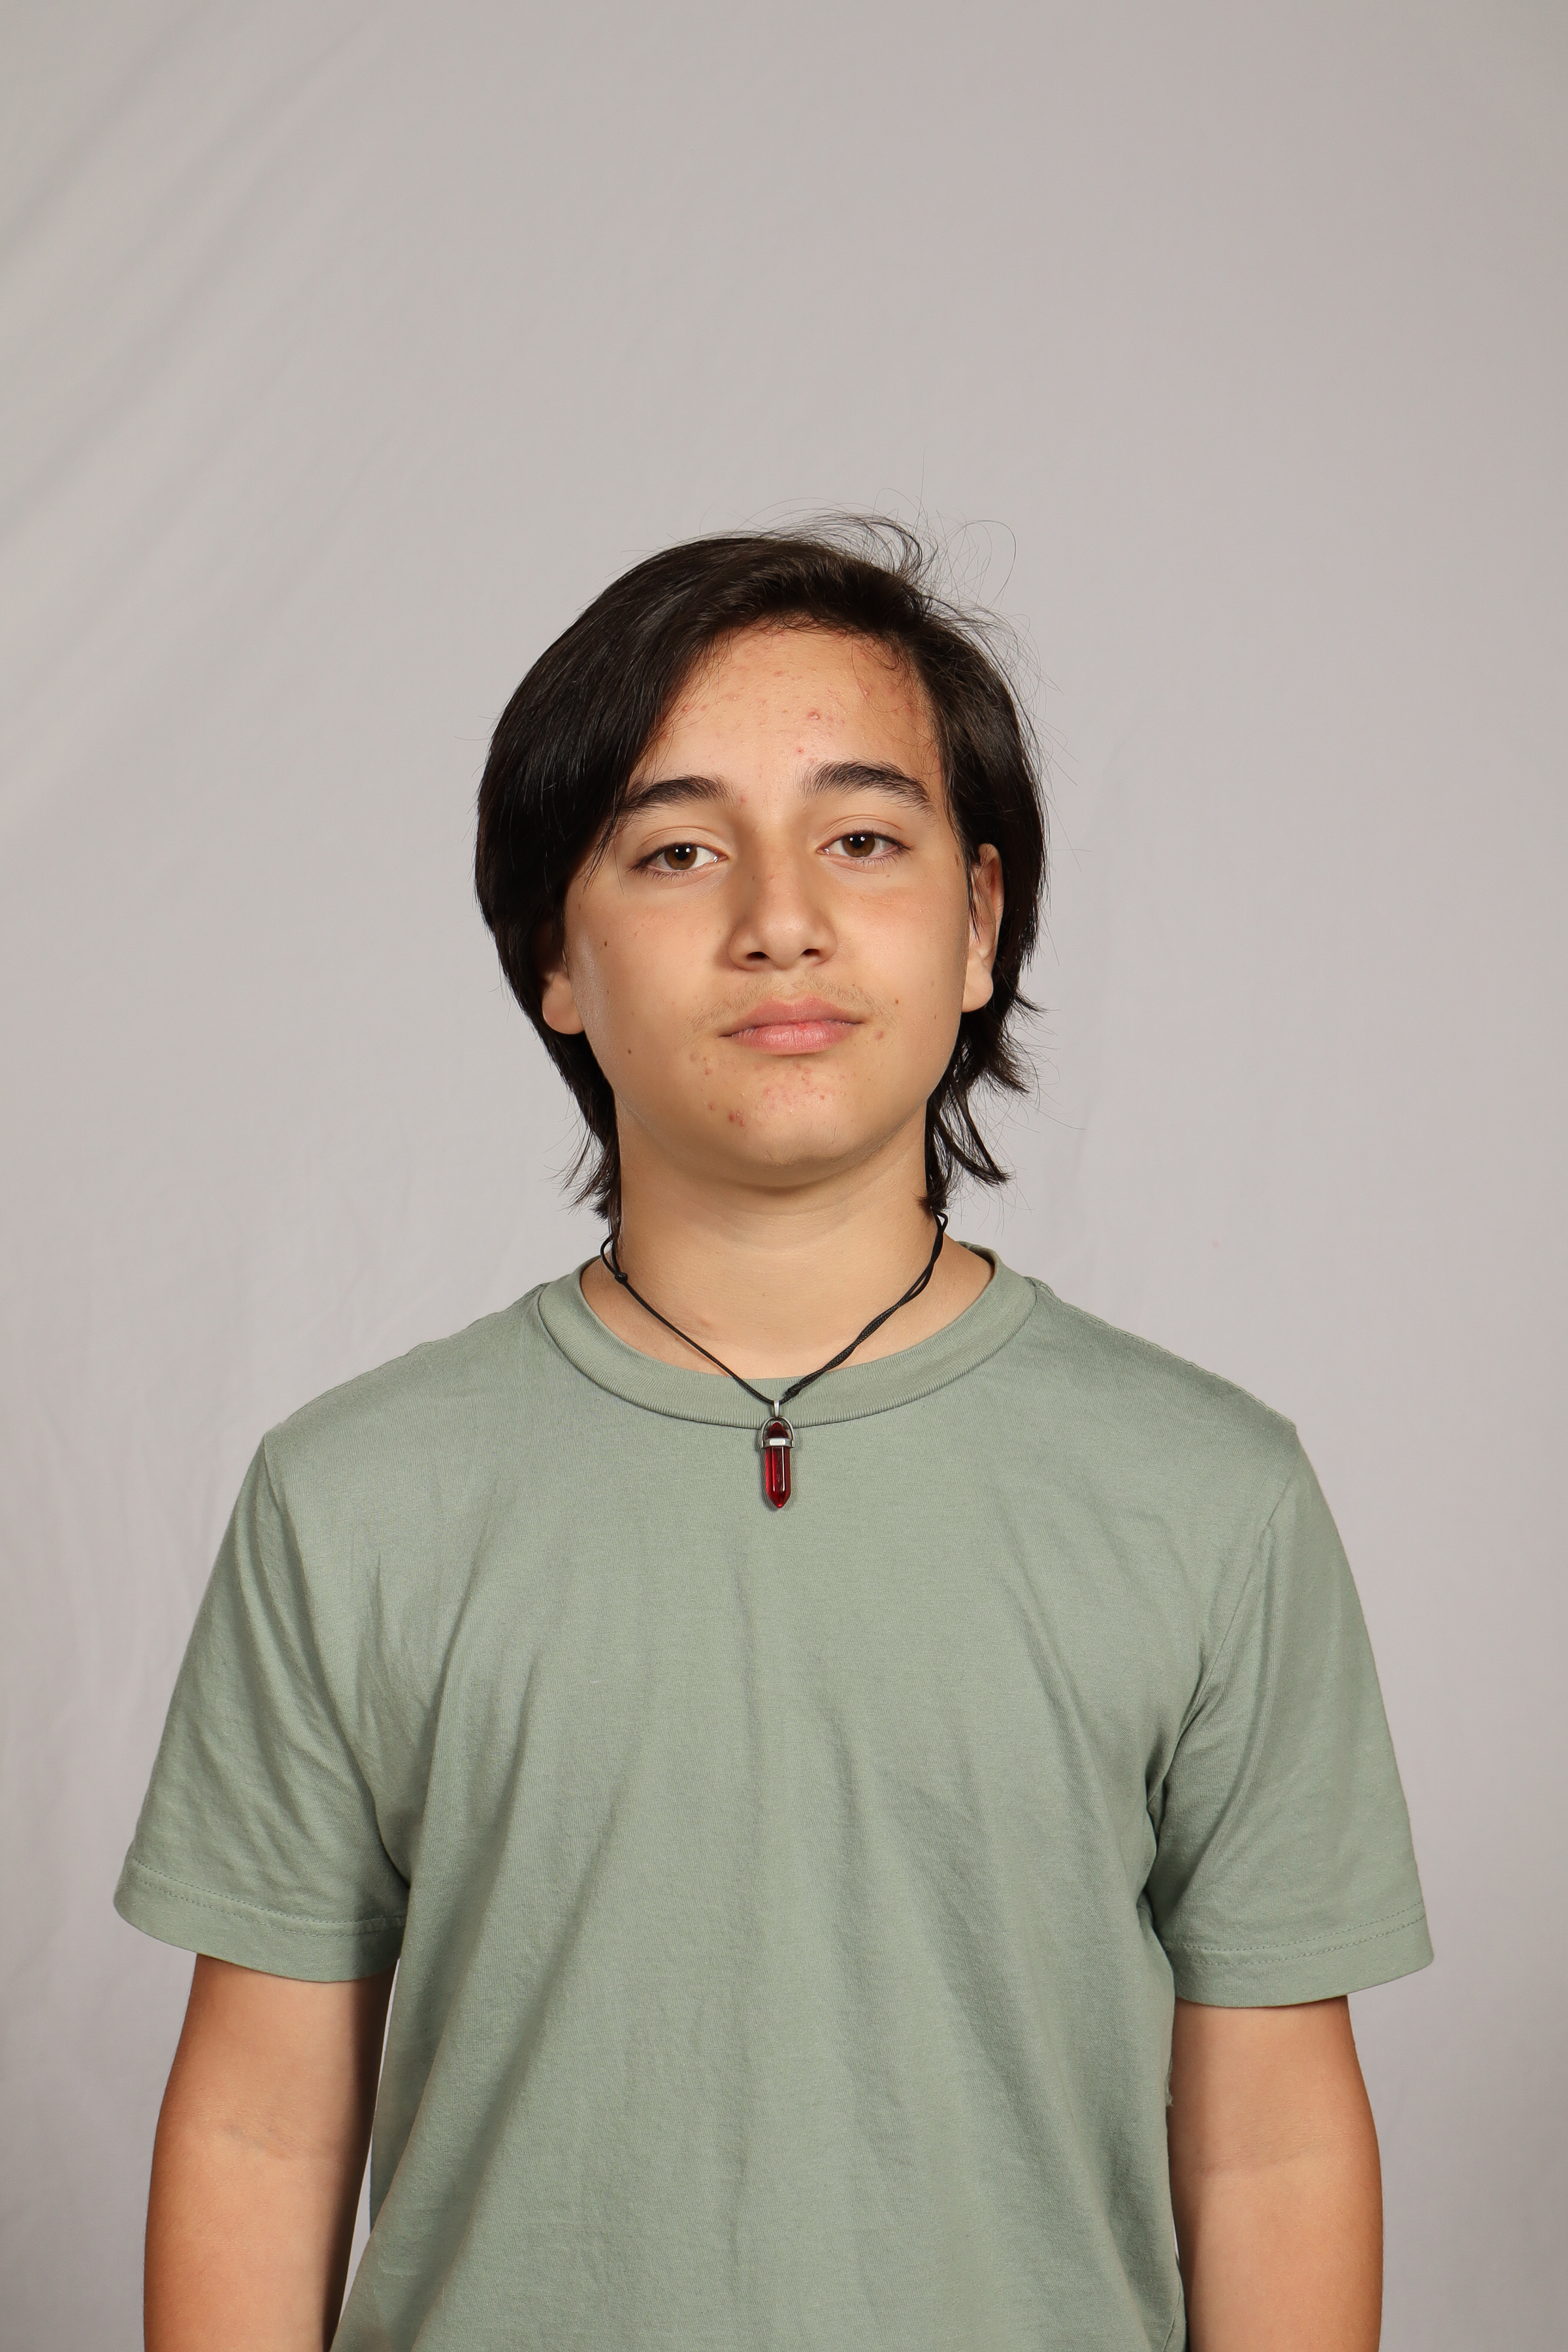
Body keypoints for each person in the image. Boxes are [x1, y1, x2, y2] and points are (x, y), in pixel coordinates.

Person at [117, 523, 1431, 2351]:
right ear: (554, 954)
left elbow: (1272, 2145)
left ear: (980, 924)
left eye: (863, 839)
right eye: (677, 850)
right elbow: (260, 2129)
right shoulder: (352, 1503)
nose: (780, 919)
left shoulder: (1212, 1499)